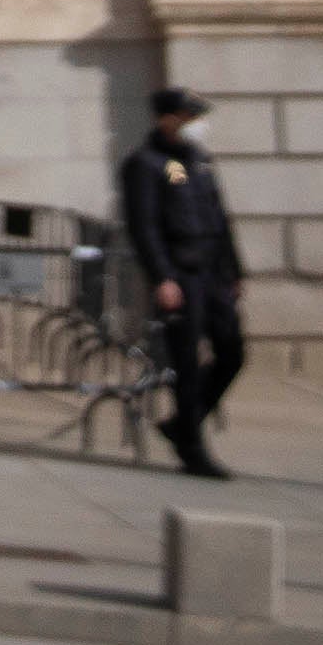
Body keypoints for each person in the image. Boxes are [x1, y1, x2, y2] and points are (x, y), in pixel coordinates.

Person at [120, 85, 247, 480]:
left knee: (233, 352)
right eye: (188, 117)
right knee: (186, 363)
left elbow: (218, 215)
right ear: (167, 118)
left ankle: (181, 423)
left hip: (212, 272)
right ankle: (192, 447)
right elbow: (145, 226)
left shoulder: (190, 162)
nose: (196, 125)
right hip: (180, 272)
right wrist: (162, 277)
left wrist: (234, 269)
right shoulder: (145, 163)